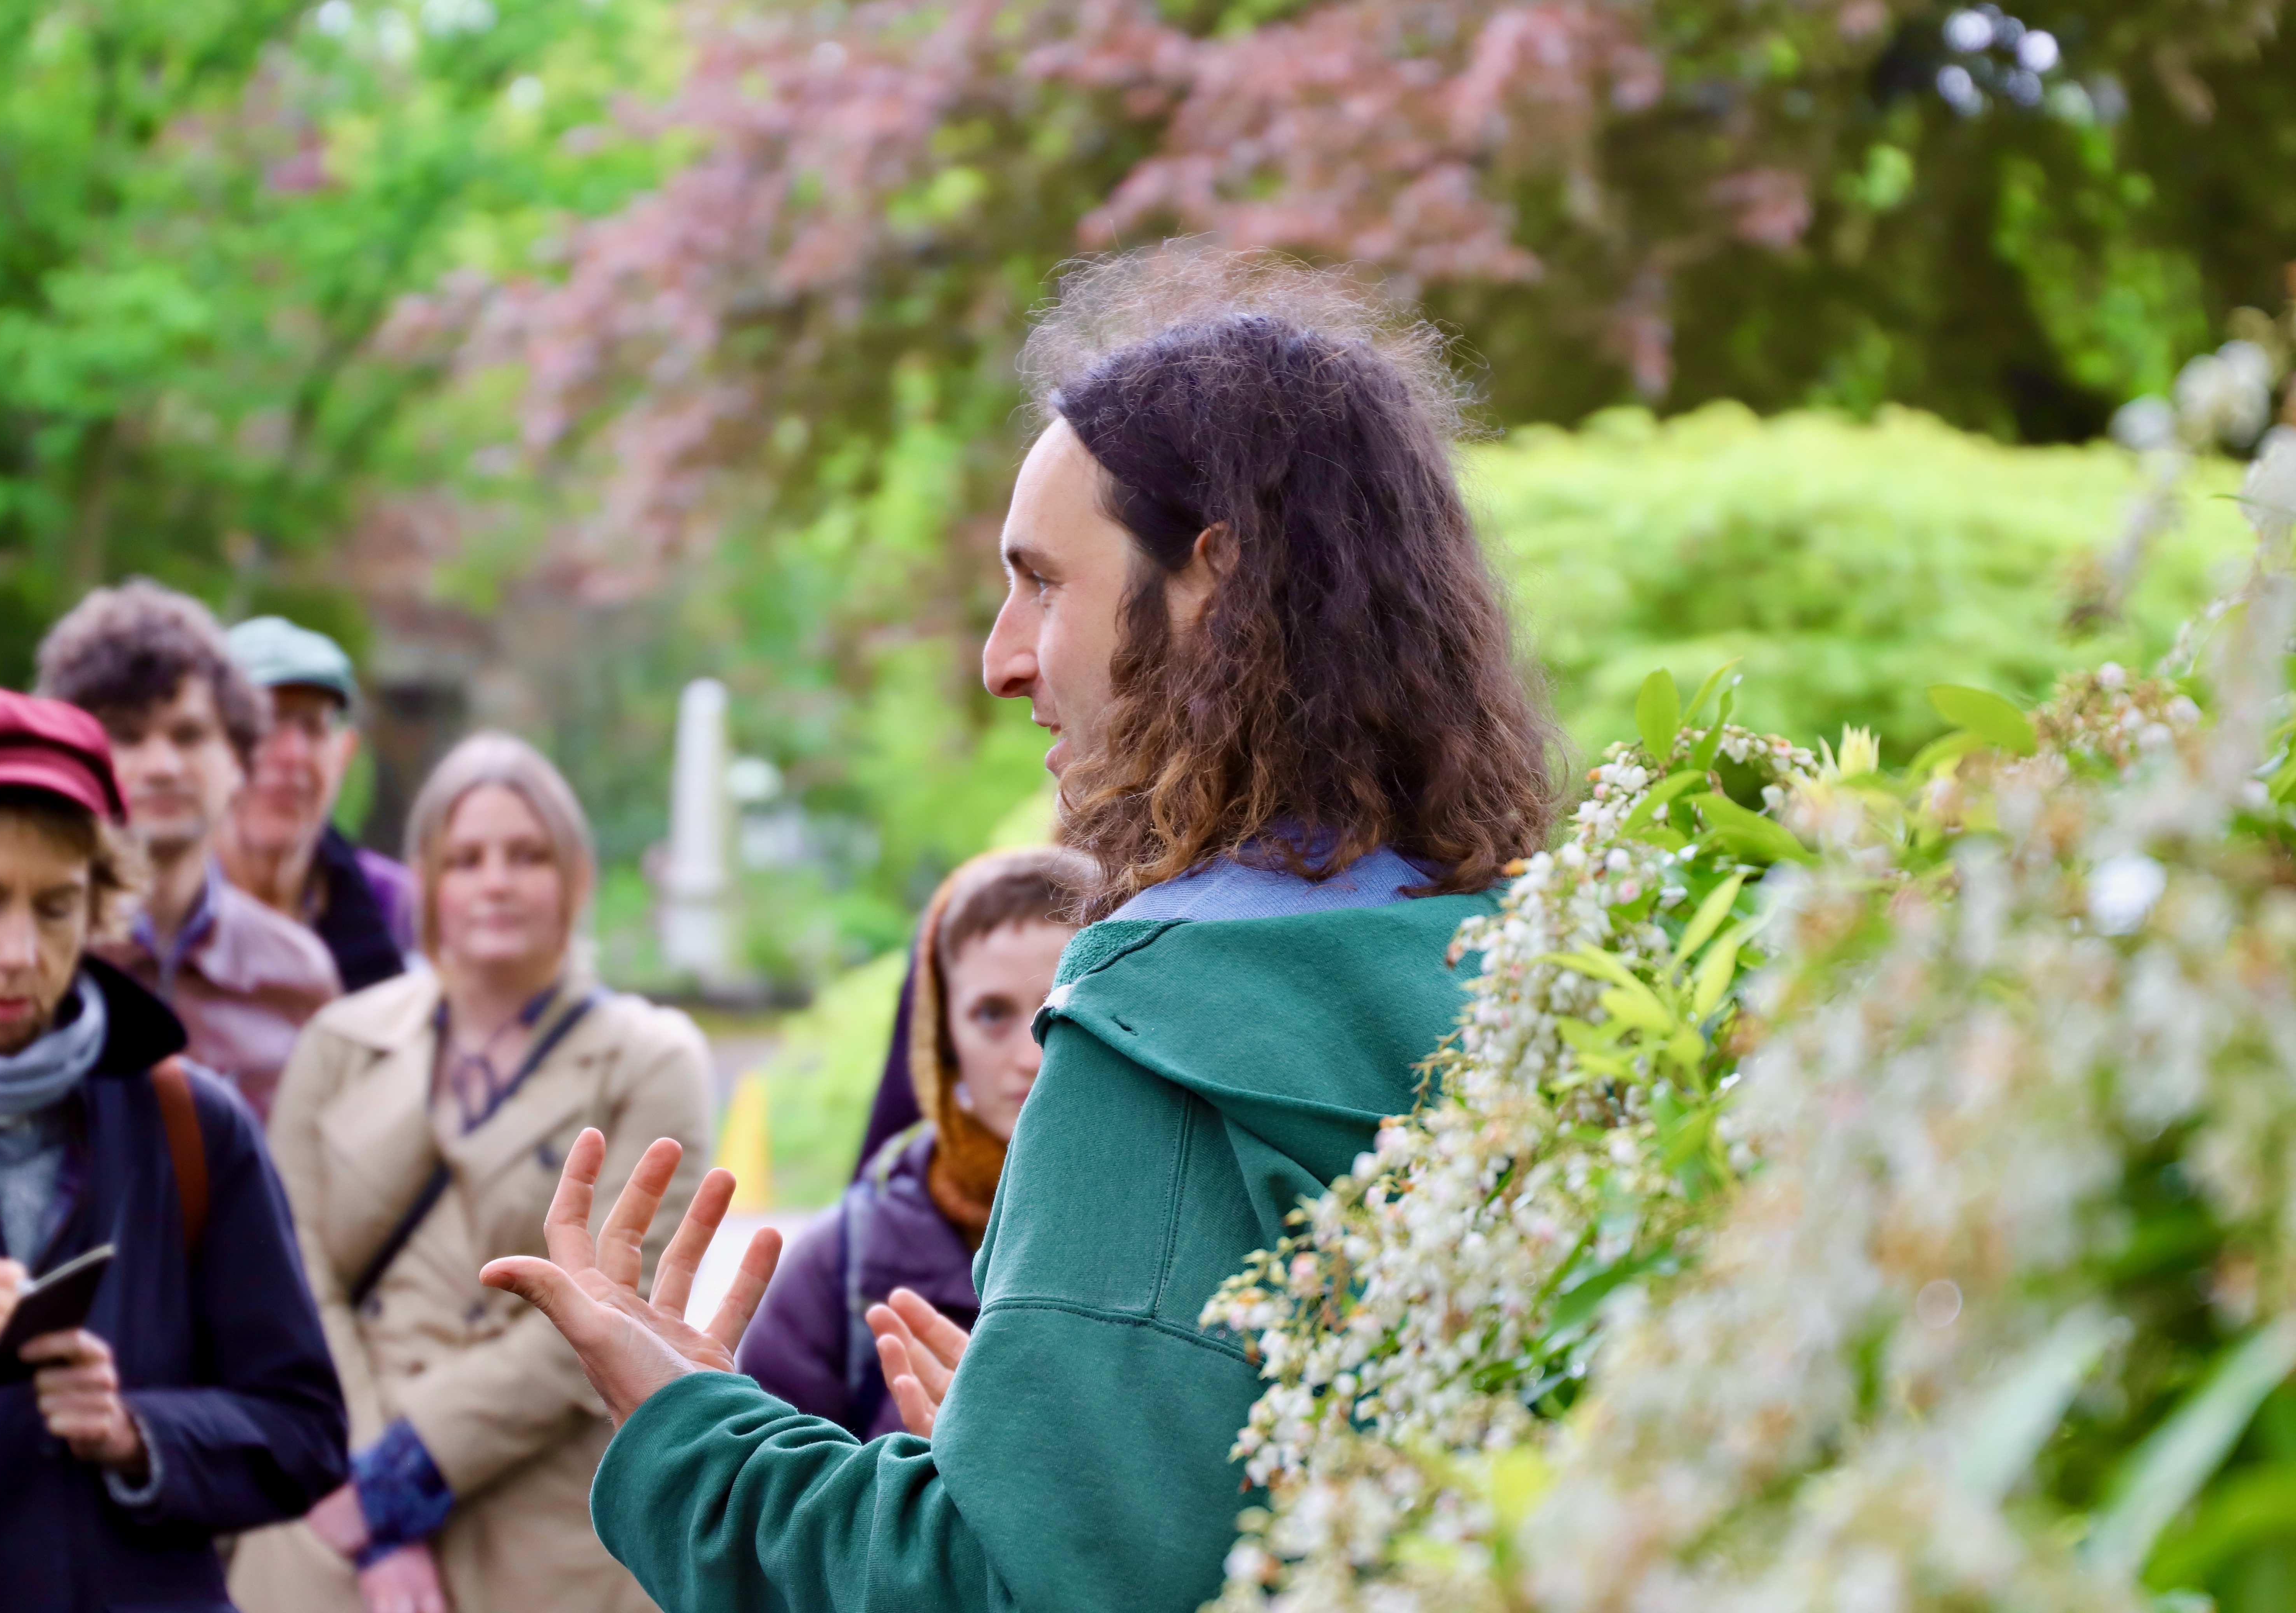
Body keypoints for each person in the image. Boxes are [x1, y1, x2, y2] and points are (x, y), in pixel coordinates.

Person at [479, 247, 1560, 1612]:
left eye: (1043, 583)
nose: (1001, 657)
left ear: (1212, 584)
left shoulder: (1165, 1030)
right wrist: (1043, 1456)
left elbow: (1001, 1591)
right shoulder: (1528, 976)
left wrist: (694, 1423)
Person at [0, 689, 348, 1609]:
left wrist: (138, 1432)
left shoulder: (190, 1119)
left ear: (100, 910)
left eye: (56, 909)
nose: (17, 950)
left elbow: (307, 1430)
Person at [227, 732, 719, 1613]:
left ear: (574, 877)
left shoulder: (650, 1059)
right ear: (426, 885)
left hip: (544, 1529)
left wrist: (407, 1469)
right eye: (466, 858)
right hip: (327, 1515)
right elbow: (291, 1274)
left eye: (526, 855)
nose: (495, 880)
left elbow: (610, 1311)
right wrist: (372, 1506)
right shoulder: (341, 1041)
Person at [737, 846, 1088, 1437]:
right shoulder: (836, 1267)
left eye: (1063, 1008)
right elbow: (772, 1508)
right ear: (941, 1040)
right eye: (992, 1014)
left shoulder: (1184, 1234)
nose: (1032, 1056)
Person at [38, 581, 343, 1123]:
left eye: (188, 735)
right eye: (128, 737)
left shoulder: (301, 976)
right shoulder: (28, 957)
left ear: (239, 756)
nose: (163, 765)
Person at [216, 616, 417, 994]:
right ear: (211, 747)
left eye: (313, 727)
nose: (293, 754)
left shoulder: (397, 908)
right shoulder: (161, 910)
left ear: (345, 752)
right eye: (265, 724)